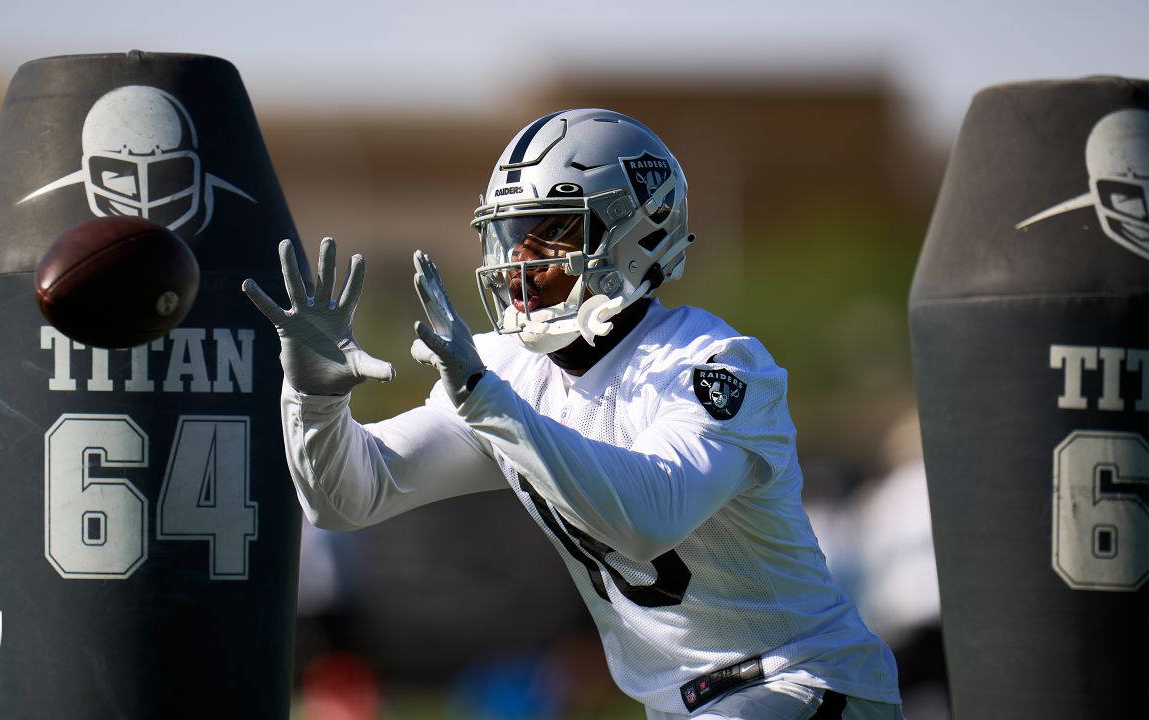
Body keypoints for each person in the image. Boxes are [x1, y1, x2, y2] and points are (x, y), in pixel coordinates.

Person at [243, 109, 903, 719]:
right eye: (508, 235)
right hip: (685, 705)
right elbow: (350, 497)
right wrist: (316, 400)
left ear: (635, 232)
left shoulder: (716, 365)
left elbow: (649, 517)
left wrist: (486, 400)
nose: (518, 263)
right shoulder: (507, 372)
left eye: (550, 233)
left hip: (803, 683)